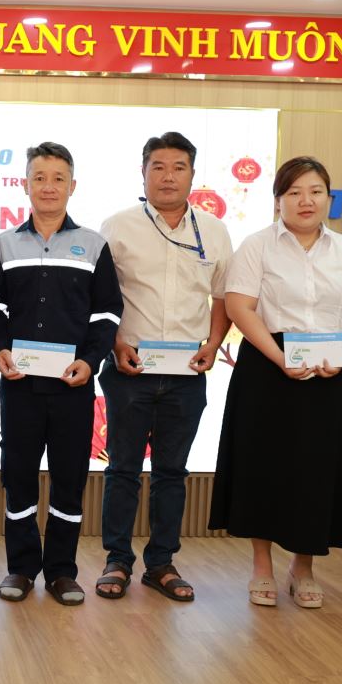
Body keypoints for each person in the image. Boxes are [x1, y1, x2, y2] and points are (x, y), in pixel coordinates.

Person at [211, 156, 342, 607]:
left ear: (329, 198)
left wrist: (340, 354)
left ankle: (303, 567)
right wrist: (279, 356)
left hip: (329, 368)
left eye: (316, 191)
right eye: (294, 192)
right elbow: (239, 306)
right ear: (278, 200)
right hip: (267, 367)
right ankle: (261, 566)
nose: (306, 201)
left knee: (317, 470)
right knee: (261, 466)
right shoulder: (257, 246)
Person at [95, 131, 232, 603]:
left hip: (186, 373)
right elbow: (101, 298)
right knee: (122, 470)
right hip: (128, 368)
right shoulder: (116, 227)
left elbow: (223, 297)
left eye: (178, 167)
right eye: (158, 167)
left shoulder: (214, 230)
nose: (168, 176)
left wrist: (214, 344)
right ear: (143, 173)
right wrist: (115, 343)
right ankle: (117, 560)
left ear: (193, 174)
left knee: (173, 472)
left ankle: (161, 563)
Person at [0, 142, 123, 606]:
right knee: (19, 478)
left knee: (70, 479)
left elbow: (107, 312)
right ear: (25, 184)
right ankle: (21, 568)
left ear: (73, 186)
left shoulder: (93, 245)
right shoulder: (4, 244)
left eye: (58, 178)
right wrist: (0, 348)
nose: (48, 186)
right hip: (20, 386)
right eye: (39, 177)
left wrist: (90, 360)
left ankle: (62, 572)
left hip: (73, 386)